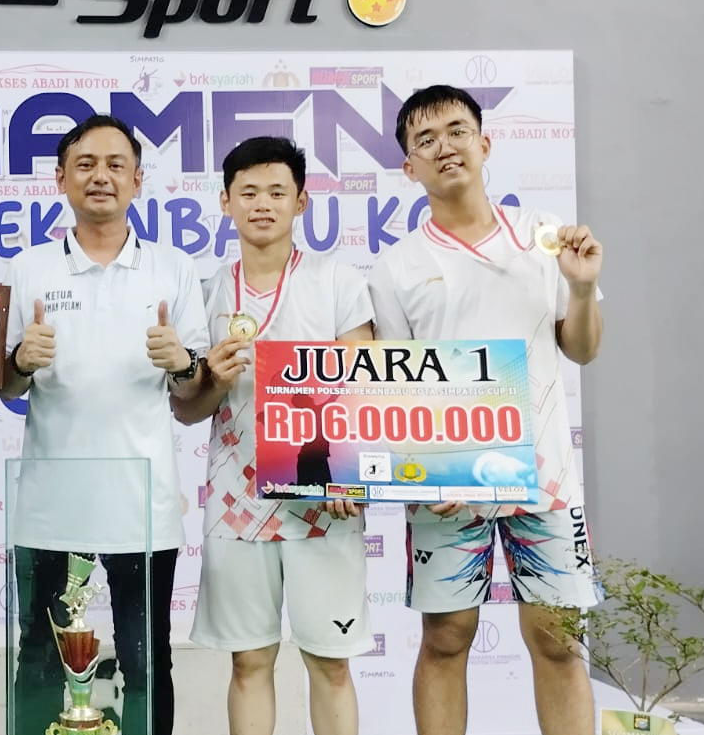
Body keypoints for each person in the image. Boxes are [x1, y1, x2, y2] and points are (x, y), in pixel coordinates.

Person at [366, 85, 604, 735]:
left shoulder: (545, 237)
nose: (444, 146)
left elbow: (582, 347)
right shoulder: (395, 267)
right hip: (447, 482)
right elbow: (394, 390)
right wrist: (427, 470)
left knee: (559, 639)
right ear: (408, 166)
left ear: (485, 143)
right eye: (425, 139)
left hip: (545, 475)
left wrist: (582, 289)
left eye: (456, 130)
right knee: (446, 638)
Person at [0, 115, 212, 735]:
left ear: (138, 181)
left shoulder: (173, 268)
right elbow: (4, 386)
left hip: (141, 508)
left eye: (116, 164)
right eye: (85, 164)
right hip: (50, 508)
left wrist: (182, 362)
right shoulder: (29, 268)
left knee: (147, 663)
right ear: (60, 178)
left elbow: (192, 392)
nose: (101, 176)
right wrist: (21, 361)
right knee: (39, 659)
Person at [172, 137, 375, 735]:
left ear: (301, 202)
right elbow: (188, 410)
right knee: (249, 662)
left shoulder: (337, 281)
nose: (263, 204)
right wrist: (213, 378)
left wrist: (349, 475)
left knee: (331, 664)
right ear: (225, 202)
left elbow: (364, 389)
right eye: (249, 192)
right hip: (237, 500)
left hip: (324, 497)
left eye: (277, 192)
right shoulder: (208, 292)